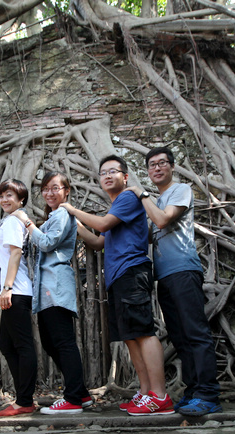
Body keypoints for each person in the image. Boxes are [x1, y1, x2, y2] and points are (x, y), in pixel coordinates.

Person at [61, 155, 174, 416]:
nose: (107, 176)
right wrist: (76, 224)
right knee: (131, 336)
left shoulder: (128, 199)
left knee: (143, 332)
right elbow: (99, 242)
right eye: (103, 173)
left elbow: (101, 225)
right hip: (118, 277)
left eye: (113, 171)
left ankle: (160, 395)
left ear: (125, 177)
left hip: (132, 272)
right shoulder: (115, 210)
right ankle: (146, 394)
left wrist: (72, 209)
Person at [126, 146, 222, 417]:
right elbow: (146, 235)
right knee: (180, 336)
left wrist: (140, 193)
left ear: (172, 167)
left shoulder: (180, 191)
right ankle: (193, 391)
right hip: (164, 276)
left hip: (183, 270)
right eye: (152, 165)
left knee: (195, 332)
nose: (156, 168)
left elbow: (162, 219)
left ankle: (208, 394)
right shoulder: (156, 200)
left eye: (161, 163)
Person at [11, 172, 93, 414]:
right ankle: (81, 393)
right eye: (45, 188)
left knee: (63, 342)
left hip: (56, 285)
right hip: (46, 288)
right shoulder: (53, 216)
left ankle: (72, 399)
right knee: (50, 341)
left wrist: (27, 222)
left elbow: (47, 243)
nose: (49, 193)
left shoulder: (62, 214)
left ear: (66, 191)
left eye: (55, 188)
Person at [0, 179, 37, 417]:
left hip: (15, 291)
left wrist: (7, 287)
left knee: (23, 345)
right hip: (8, 291)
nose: (5, 200)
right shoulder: (4, 223)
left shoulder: (16, 220)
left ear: (21, 199)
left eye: (10, 195)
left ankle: (25, 401)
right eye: (2, 195)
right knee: (6, 344)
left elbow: (16, 253)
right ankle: (22, 397)